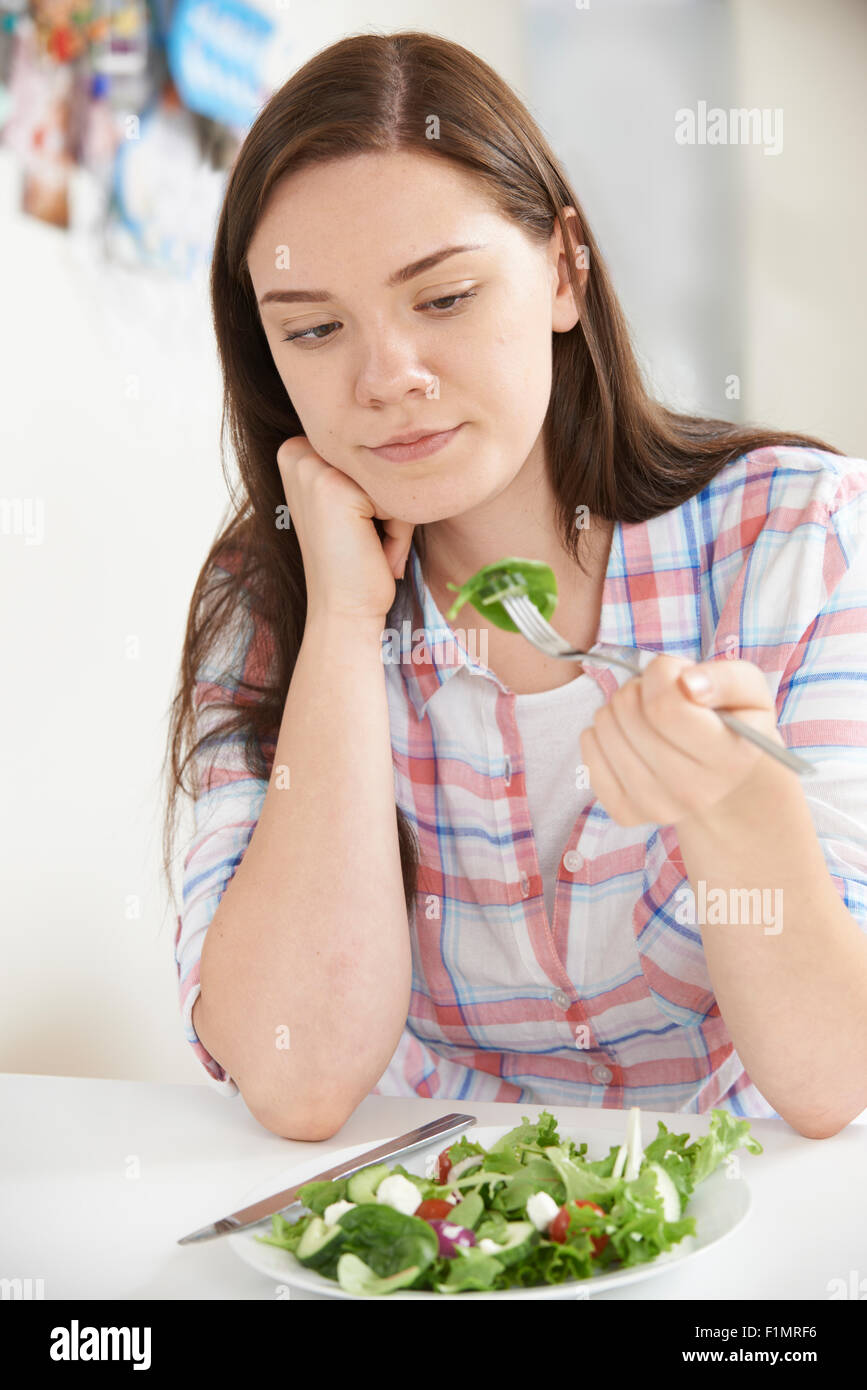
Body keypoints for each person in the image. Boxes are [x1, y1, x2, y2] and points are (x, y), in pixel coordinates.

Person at [163, 30, 867, 1142]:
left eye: (441, 298)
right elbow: (297, 1080)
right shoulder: (270, 599)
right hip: (433, 1226)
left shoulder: (799, 534)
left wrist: (739, 804)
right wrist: (345, 626)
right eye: (315, 328)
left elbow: (832, 1079)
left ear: (564, 272)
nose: (388, 376)